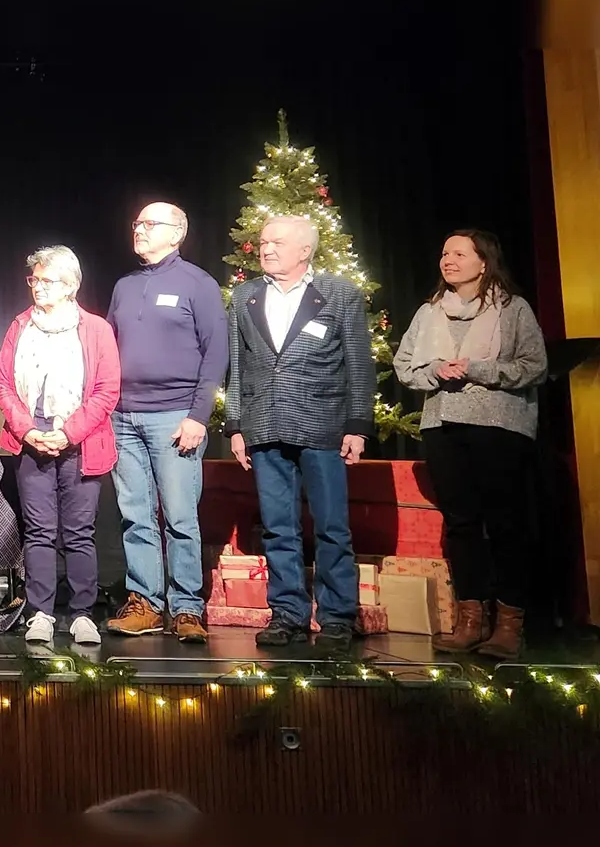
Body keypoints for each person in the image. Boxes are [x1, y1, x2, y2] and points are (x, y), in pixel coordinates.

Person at [223, 215, 375, 652]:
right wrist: (236, 425)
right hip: (264, 424)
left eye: (277, 242)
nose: (266, 248)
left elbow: (360, 365)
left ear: (304, 250)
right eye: (264, 241)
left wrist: (358, 425)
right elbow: (239, 366)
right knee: (277, 527)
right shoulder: (245, 295)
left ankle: (337, 617)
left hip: (323, 424)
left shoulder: (339, 293)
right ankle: (287, 613)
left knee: (331, 526)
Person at [392, 230, 546, 659]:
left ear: (484, 262)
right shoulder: (430, 312)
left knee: (504, 523)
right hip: (442, 425)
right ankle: (470, 621)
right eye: (444, 253)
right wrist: (436, 370)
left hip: (498, 426)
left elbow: (534, 366)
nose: (448, 260)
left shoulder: (513, 309)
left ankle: (510, 625)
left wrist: (479, 369)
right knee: (460, 523)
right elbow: (405, 365)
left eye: (459, 253)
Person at [104, 203, 228, 644]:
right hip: (123, 417)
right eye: (136, 222)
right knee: (135, 516)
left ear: (177, 233)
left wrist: (198, 416)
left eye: (149, 224)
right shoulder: (124, 286)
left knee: (179, 516)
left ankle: (188, 608)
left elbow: (216, 354)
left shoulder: (198, 283)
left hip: (175, 417)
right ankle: (146, 603)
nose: (138, 229)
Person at [0, 246, 121, 646]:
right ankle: (41, 613)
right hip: (32, 437)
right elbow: (4, 387)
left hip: (80, 438)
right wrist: (29, 431)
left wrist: (69, 433)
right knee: (39, 531)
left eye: (47, 281)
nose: (38, 287)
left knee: (80, 532)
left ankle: (82, 613)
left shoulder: (96, 329)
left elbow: (106, 390)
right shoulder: (20, 326)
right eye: (34, 280)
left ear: (70, 286)